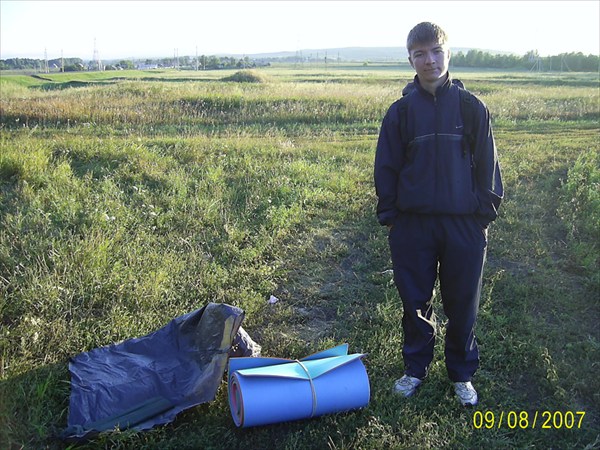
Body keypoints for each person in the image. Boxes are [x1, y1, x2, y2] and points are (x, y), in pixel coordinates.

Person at [374, 22, 503, 406]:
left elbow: (488, 167)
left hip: (463, 224)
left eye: (436, 51)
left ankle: (461, 374)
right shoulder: (400, 112)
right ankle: (415, 369)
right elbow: (386, 168)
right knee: (414, 301)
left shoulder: (471, 107)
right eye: (420, 54)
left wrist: (481, 216)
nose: (429, 60)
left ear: (448, 54)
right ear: (410, 59)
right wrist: (392, 217)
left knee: (463, 303)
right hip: (413, 226)